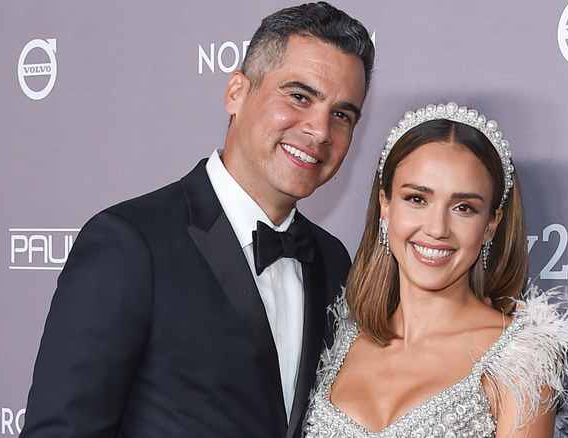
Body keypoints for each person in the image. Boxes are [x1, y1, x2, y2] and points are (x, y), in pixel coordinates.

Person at [20, 3, 374, 437]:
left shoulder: (333, 259)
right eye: (299, 96)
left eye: (342, 114)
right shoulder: (130, 244)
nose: (321, 131)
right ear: (236, 92)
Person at [303, 103, 568, 437]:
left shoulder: (521, 360)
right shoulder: (335, 339)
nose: (436, 228)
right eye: (417, 199)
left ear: (491, 224)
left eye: (463, 208)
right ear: (385, 205)